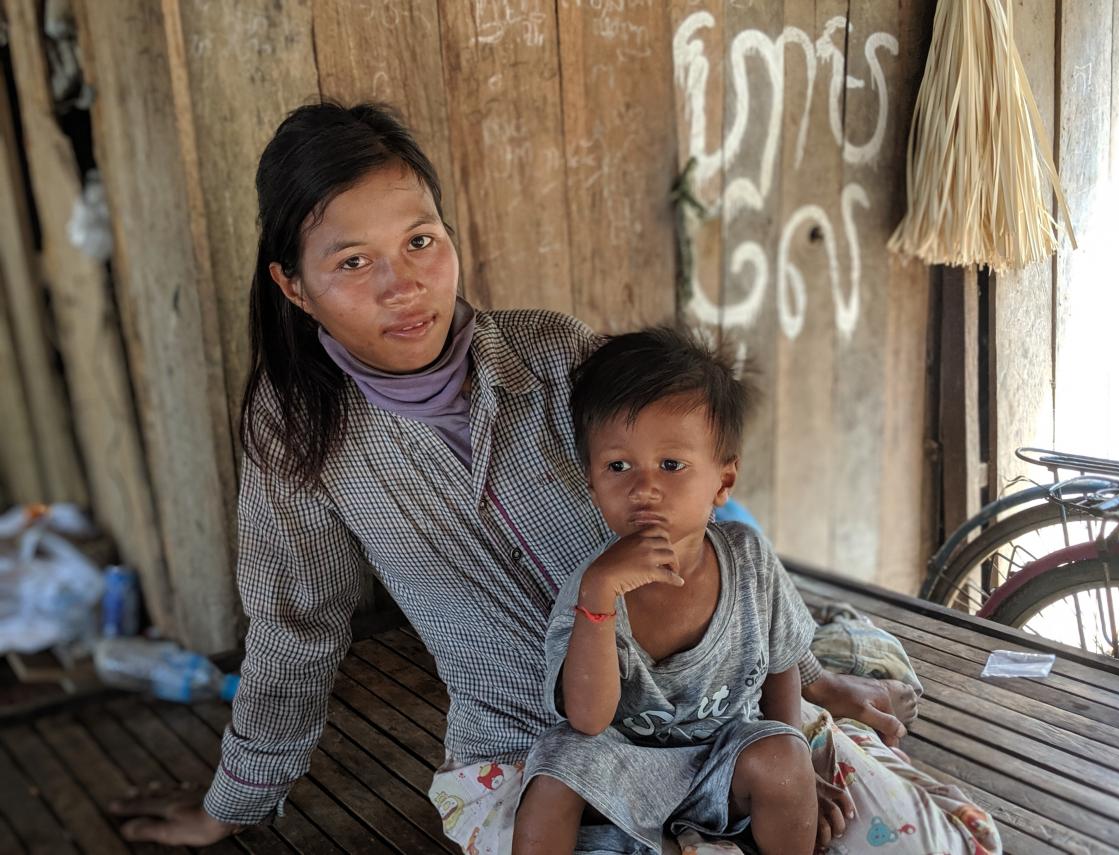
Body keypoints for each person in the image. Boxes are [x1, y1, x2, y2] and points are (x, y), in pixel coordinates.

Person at [107, 101, 922, 852]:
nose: (405, 285)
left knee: (893, 833)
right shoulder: (299, 437)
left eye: (421, 241)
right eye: (355, 262)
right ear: (294, 287)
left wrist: (801, 690)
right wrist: (234, 802)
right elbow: (294, 628)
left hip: (699, 718)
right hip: (529, 760)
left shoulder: (554, 354)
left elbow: (696, 520)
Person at [511, 327, 819, 854]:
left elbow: (782, 664)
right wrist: (600, 598)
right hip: (620, 768)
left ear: (722, 482)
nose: (643, 486)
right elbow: (587, 719)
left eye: (671, 465)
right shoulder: (591, 585)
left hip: (722, 758)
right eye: (618, 466)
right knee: (552, 776)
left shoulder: (747, 558)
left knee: (784, 763)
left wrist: (793, 760)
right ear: (591, 483)